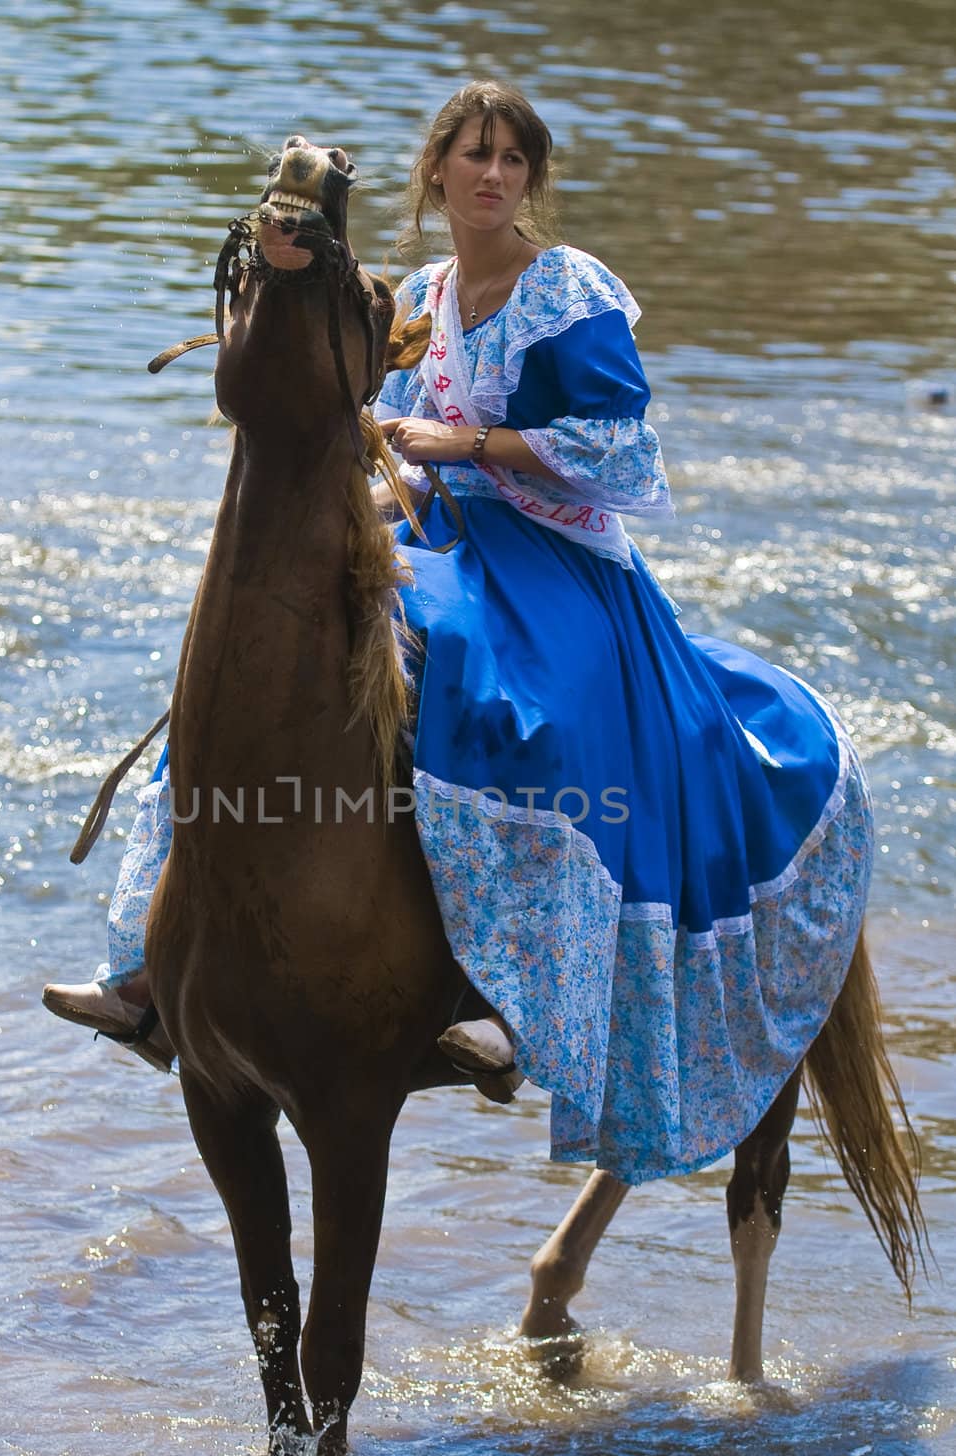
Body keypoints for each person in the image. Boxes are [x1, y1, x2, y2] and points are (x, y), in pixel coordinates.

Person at [46, 83, 871, 1181]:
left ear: (530, 179)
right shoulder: (422, 291)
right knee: (243, 668)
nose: (493, 176)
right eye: (474, 156)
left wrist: (463, 440)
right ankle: (151, 969)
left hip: (557, 556)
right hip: (428, 530)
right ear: (436, 172)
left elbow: (621, 450)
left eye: (513, 161)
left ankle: (495, 1000)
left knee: (525, 706)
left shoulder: (569, 291)